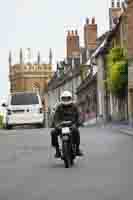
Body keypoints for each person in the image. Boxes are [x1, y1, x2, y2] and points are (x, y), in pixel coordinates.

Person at [50, 90, 83, 158]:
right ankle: (57, 150)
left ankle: (77, 149)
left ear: (70, 98)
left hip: (72, 125)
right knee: (53, 132)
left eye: (67, 98)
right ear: (61, 98)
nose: (66, 100)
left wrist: (78, 123)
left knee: (76, 131)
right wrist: (56, 125)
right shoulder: (59, 107)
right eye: (64, 98)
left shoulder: (75, 106)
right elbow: (55, 117)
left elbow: (79, 115)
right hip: (61, 126)